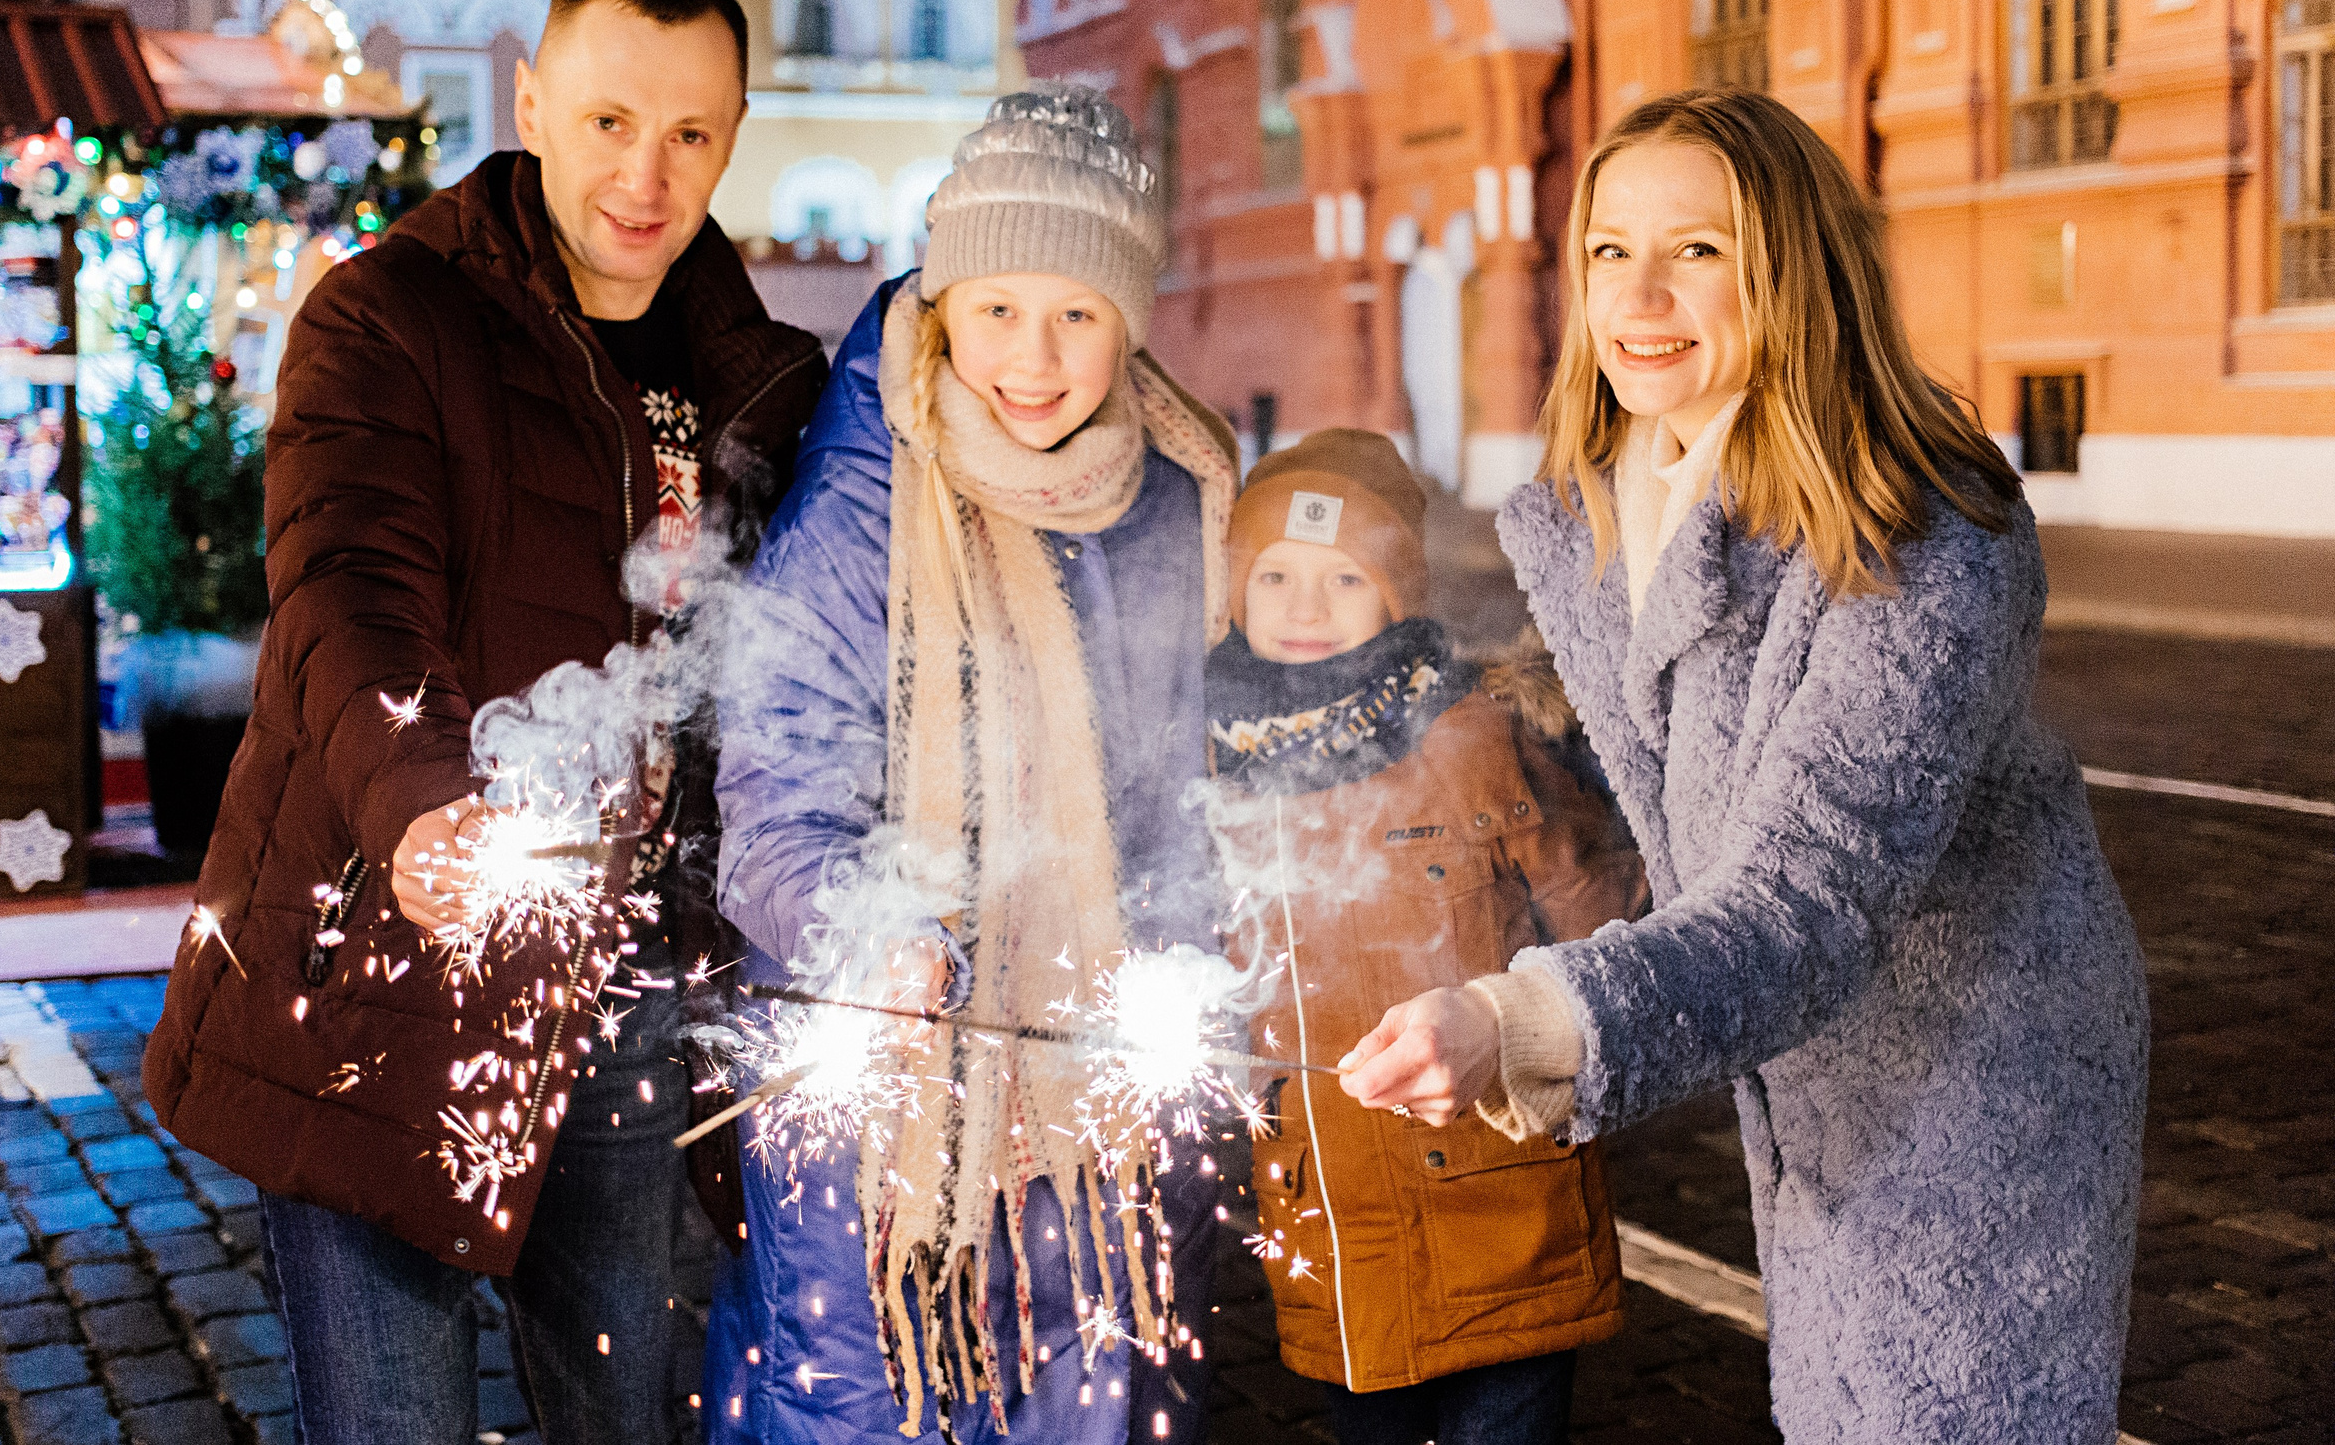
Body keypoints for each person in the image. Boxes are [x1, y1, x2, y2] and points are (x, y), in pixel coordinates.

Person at [1336, 88, 2150, 1444]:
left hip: (1972, 1078)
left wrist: (1523, 1018)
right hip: (1799, 1063)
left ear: (1795, 272)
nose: (1638, 294)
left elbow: (1805, 897)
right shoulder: (1603, 509)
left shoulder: (1922, 537)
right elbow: (1657, 804)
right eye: (1608, 249)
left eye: (1698, 250)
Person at [139, 0, 827, 1445]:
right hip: (385, 965)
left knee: (621, 1406)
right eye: (608, 121)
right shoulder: (387, 315)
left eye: (690, 132)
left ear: (734, 134)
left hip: (629, 985)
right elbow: (346, 586)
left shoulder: (759, 377)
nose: (645, 175)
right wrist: (426, 800)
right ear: (531, 105)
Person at [704, 85, 1239, 1444]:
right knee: (867, 1404)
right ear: (943, 306)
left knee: (1096, 1397)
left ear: (1130, 319)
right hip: (888, 1099)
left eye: (1077, 313)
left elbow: (1184, 794)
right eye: (998, 307)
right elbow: (774, 800)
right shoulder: (860, 505)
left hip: (1093, 1090)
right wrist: (871, 933)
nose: (1034, 358)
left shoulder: (1176, 491)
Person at [1205, 429, 1647, 1445]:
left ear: (1397, 594)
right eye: (1274, 576)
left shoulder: (1470, 739)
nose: (1305, 607)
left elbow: (1599, 915)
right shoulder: (1213, 772)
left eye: (1343, 578)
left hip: (1499, 1223)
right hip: (1334, 1237)